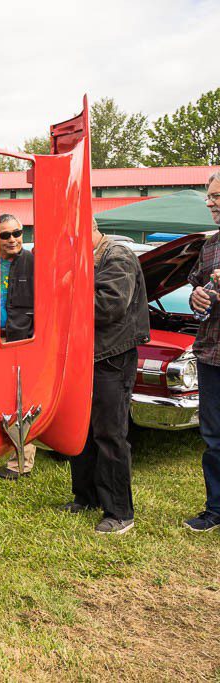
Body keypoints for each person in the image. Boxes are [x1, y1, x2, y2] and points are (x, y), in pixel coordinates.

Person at [60, 218, 149, 534]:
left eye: (72, 238)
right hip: (88, 357)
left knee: (110, 435)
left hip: (112, 357)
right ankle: (86, 497)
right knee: (82, 431)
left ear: (90, 232)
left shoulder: (118, 255)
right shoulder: (90, 257)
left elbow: (110, 305)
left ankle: (120, 513)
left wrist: (67, 294)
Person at [184, 172, 220, 532]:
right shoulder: (210, 245)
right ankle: (216, 508)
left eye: (215, 196)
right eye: (209, 197)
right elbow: (197, 284)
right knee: (213, 437)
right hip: (212, 354)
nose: (210, 202)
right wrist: (196, 297)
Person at [0, 214, 37, 480]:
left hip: (20, 339)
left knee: (21, 398)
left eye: (17, 233)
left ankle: (20, 462)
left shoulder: (32, 262)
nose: (12, 239)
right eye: (5, 235)